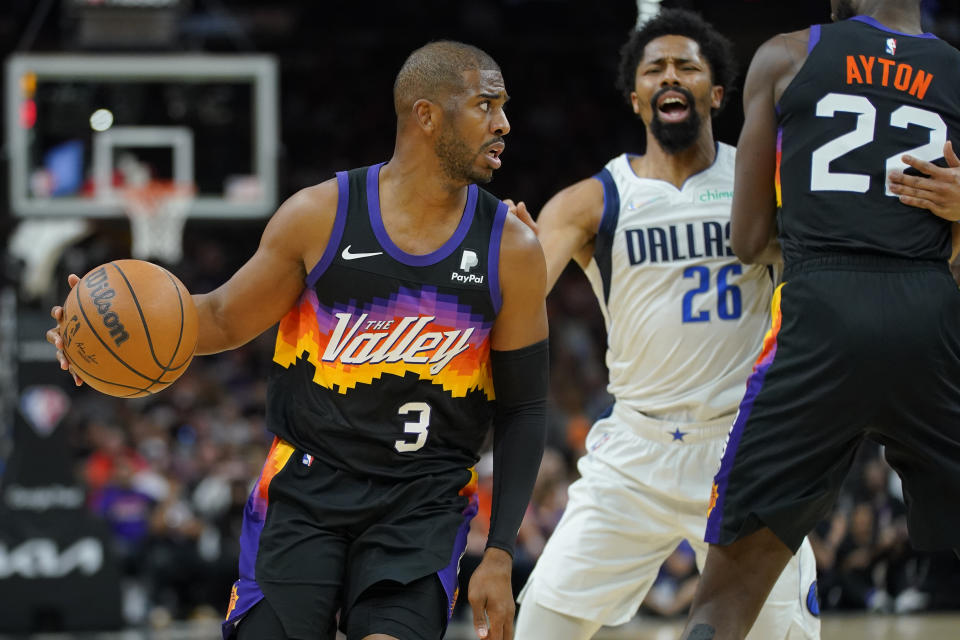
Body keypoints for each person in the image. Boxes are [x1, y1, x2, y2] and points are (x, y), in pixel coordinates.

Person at [48, 40, 549, 640]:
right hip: (306, 489)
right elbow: (222, 319)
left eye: (504, 107)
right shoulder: (321, 216)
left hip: (423, 502)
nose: (504, 124)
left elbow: (525, 406)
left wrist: (498, 554)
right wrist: (99, 332)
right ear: (427, 115)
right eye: (486, 106)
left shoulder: (512, 249)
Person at [507, 10, 819, 640]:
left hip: (745, 447)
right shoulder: (590, 200)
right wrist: (506, 261)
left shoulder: (763, 184)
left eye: (687, 67)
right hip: (636, 451)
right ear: (636, 96)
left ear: (719, 93)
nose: (670, 76)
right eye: (655, 69)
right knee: (540, 626)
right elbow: (513, 305)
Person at [681, 1, 960, 638]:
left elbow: (748, 238)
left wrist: (833, 236)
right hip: (932, 315)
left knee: (722, 606)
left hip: (821, 314)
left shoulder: (786, 55)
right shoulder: (955, 71)